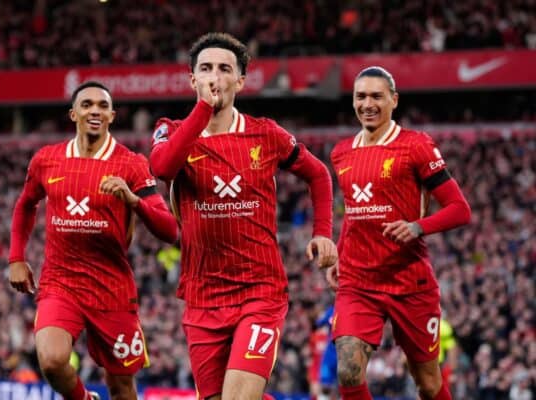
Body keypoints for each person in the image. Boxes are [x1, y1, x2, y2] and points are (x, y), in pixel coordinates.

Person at [149, 32, 337, 400]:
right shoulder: (170, 130)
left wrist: (323, 231)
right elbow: (163, 168)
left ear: (241, 80)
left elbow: (318, 174)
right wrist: (203, 108)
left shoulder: (265, 134)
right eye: (205, 69)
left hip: (259, 292)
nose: (214, 77)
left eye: (224, 69)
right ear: (192, 79)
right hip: (203, 298)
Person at [8, 81, 178, 400]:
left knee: (121, 387)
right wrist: (16, 257)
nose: (95, 111)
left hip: (112, 290)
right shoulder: (47, 159)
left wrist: (133, 201)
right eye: (87, 105)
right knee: (52, 361)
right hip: (61, 283)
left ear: (112, 115)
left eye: (102, 106)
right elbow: (24, 205)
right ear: (73, 114)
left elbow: (169, 230)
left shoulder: (131, 164)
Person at [327, 66, 472, 400]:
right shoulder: (341, 152)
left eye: (377, 96)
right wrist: (339, 251)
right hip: (358, 282)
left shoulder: (415, 146)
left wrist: (417, 227)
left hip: (409, 282)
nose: (368, 104)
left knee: (429, 383)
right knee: (348, 372)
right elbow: (354, 212)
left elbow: (459, 209)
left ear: (394, 100)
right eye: (360, 96)